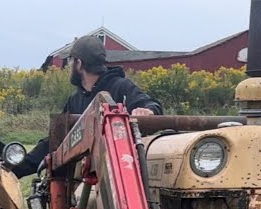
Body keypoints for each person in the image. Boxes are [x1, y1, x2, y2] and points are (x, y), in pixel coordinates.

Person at [13, 35, 164, 178]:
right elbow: (56, 140)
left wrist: (147, 111)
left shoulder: (120, 87)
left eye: (70, 61)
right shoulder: (75, 99)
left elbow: (151, 105)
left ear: (79, 64)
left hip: (117, 173)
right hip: (84, 180)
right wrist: (14, 169)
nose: (69, 66)